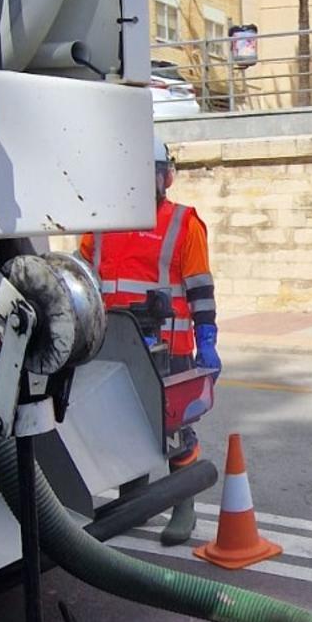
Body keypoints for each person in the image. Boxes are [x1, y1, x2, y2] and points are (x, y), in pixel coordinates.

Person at [81, 134, 220, 545]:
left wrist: (207, 339)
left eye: (154, 174)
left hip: (168, 347)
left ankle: (184, 504)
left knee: (176, 429)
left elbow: (200, 290)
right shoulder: (101, 225)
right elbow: (88, 283)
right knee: (121, 424)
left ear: (165, 177)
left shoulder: (182, 223)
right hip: (112, 346)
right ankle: (134, 499)